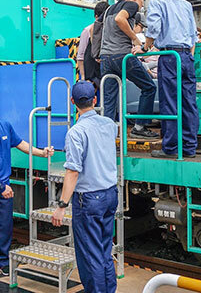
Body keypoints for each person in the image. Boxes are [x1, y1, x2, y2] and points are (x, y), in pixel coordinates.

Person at [0, 93, 54, 281]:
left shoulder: (5, 126)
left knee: (4, 226)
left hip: (1, 186)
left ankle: (3, 261)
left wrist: (42, 153)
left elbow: (21, 144)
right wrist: (1, 185)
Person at [51, 81, 119, 293]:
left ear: (73, 102)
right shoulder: (110, 124)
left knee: (90, 257)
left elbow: (73, 171)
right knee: (105, 250)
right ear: (95, 100)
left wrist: (62, 205)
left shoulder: (75, 132)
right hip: (110, 194)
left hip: (89, 201)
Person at [141, 0, 199, 158]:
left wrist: (146, 47)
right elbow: (193, 36)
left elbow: (154, 28)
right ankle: (189, 148)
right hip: (186, 56)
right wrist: (188, 56)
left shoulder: (158, 3)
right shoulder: (186, 4)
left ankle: (171, 148)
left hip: (169, 56)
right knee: (189, 102)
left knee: (170, 102)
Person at [100, 0, 158, 139]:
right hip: (122, 55)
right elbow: (120, 19)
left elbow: (96, 28)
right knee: (149, 87)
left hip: (105, 57)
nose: (142, 5)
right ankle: (139, 127)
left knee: (109, 99)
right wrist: (134, 39)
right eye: (143, 0)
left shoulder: (108, 9)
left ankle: (107, 137)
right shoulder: (131, 5)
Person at [78, 1, 109, 87]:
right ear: (96, 17)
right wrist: (83, 77)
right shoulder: (87, 30)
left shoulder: (110, 29)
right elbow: (80, 56)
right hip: (92, 71)